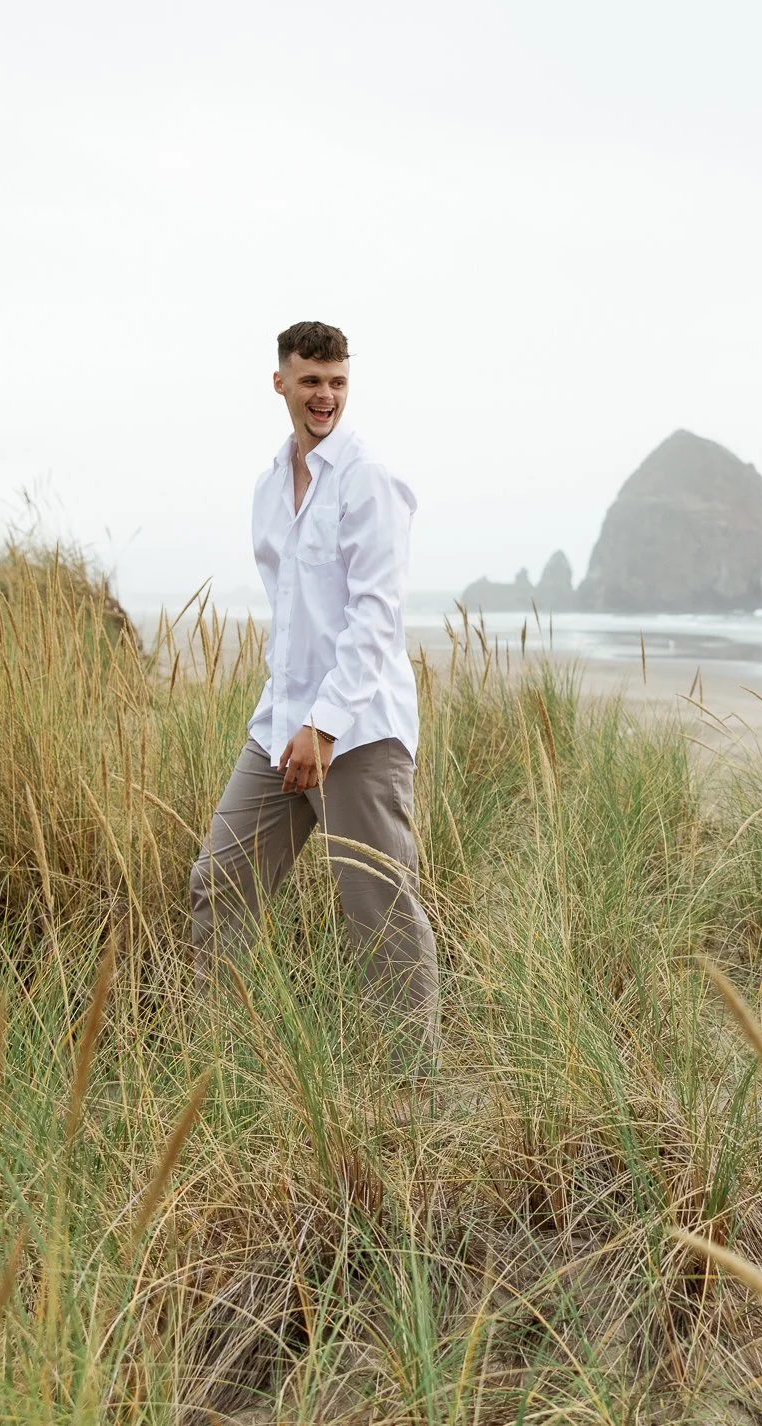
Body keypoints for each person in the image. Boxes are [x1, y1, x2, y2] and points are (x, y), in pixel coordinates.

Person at [188, 320, 439, 1076]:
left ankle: (409, 1093)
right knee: (220, 881)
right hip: (282, 728)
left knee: (380, 913)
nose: (324, 395)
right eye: (310, 381)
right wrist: (293, 724)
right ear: (281, 384)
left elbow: (375, 617)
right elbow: (294, 615)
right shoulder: (270, 485)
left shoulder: (368, 479)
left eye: (336, 382)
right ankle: (221, 1071)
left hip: (357, 732)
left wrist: (325, 727)